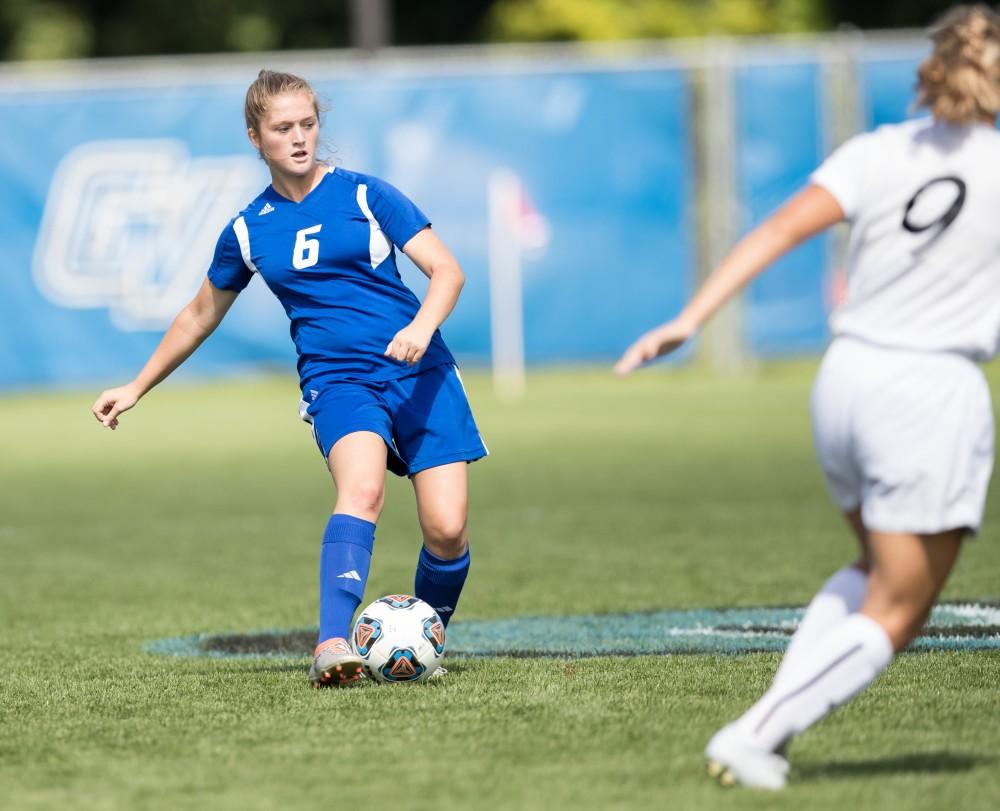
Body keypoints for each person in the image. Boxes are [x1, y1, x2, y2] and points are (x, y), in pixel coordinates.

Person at [615, 4, 1000, 790]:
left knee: (871, 566)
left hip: (847, 377)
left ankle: (769, 726)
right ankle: (755, 732)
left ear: (931, 69)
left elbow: (780, 229)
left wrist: (689, 318)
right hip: (929, 389)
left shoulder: (878, 149)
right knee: (901, 605)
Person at [92, 70, 488, 688]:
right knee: (360, 492)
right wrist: (136, 386)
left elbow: (448, 272)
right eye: (283, 128)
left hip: (421, 371)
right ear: (256, 136)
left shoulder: (366, 194)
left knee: (446, 527)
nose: (300, 138)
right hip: (339, 381)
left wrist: (420, 326)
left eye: (308, 124)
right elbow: (199, 314)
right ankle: (331, 643)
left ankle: (422, 637)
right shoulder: (249, 228)